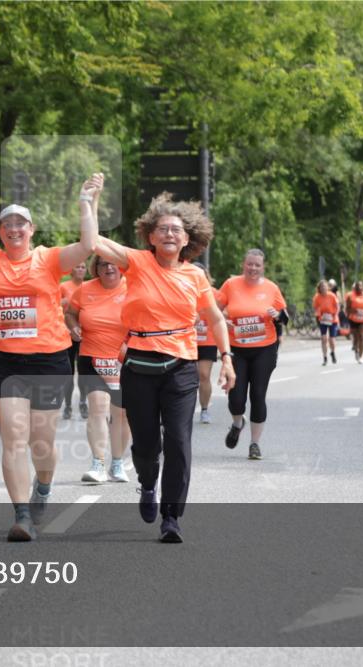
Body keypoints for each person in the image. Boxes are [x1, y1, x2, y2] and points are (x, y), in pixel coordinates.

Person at [0, 161, 97, 542]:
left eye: (20, 224)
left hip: (48, 360)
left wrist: (85, 202)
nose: (14, 229)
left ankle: (42, 488)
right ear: (0, 232)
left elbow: (88, 246)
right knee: (13, 437)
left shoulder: (49, 259)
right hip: (4, 362)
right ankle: (21, 514)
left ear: (31, 230)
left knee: (41, 444)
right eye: (6, 224)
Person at [94, 192, 235, 543]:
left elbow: (215, 318)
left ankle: (171, 516)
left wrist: (227, 357)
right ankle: (146, 483)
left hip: (181, 367)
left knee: (178, 442)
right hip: (139, 363)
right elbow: (92, 241)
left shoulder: (196, 277)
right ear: (151, 236)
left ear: (187, 238)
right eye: (163, 229)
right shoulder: (137, 262)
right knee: (145, 445)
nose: (170, 234)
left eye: (176, 230)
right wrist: (90, 202)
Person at [65, 255, 131, 483]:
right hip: (92, 357)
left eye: (113, 263)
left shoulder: (133, 288)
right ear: (96, 268)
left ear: (121, 267)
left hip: (124, 359)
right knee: (98, 408)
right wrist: (73, 327)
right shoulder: (84, 290)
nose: (109, 267)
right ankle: (98, 463)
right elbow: (70, 314)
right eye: (103, 264)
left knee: (121, 414)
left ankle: (118, 463)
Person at [216, 250, 284, 461]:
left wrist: (278, 315)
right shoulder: (230, 284)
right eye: (250, 265)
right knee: (236, 398)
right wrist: (222, 321)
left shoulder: (271, 288)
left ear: (263, 267)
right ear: (243, 264)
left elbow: (285, 318)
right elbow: (214, 310)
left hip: (265, 348)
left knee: (257, 394)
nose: (253, 268)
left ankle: (254, 444)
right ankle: (238, 423)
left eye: (257, 265)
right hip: (237, 349)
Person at [192, 262, 224, 421]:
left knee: (203, 375)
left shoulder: (215, 294)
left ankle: (204, 409)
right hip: (185, 341)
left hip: (207, 340)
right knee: (186, 377)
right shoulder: (183, 290)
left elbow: (223, 313)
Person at [60, 262, 89, 420]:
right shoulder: (63, 286)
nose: (80, 269)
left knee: (84, 372)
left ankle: (83, 402)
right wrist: (62, 303)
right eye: (77, 266)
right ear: (71, 269)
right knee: (68, 373)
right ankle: (68, 405)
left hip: (86, 335)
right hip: (67, 335)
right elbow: (50, 307)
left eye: (83, 267)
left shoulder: (89, 287)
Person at [344, 281, 363, 363]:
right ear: (355, 288)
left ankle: (360, 357)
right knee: (356, 338)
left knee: (362, 337)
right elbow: (347, 308)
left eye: (361, 286)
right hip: (353, 319)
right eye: (357, 287)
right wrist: (352, 311)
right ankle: (356, 350)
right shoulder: (350, 296)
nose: (359, 288)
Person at [312, 279, 339, 365]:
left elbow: (337, 306)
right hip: (323, 319)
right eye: (322, 287)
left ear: (327, 287)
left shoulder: (332, 296)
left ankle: (333, 352)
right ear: (319, 288)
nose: (323, 288)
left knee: (332, 339)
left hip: (333, 319)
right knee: (324, 339)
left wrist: (334, 314)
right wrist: (318, 315)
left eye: (325, 287)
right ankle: (325, 357)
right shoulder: (317, 297)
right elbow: (316, 308)